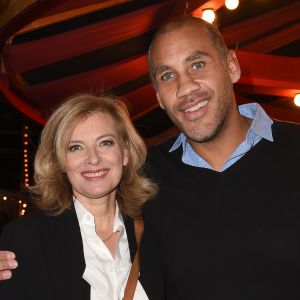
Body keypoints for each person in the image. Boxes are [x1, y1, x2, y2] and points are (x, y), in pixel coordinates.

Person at [1, 15, 300, 299]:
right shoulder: (151, 176)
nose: (185, 87)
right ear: (158, 95)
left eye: (197, 64)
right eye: (167, 75)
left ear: (232, 66)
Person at [0, 93, 157, 299]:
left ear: (125, 152)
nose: (93, 158)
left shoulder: (157, 230)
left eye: (105, 143)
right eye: (75, 147)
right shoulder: (27, 240)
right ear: (60, 162)